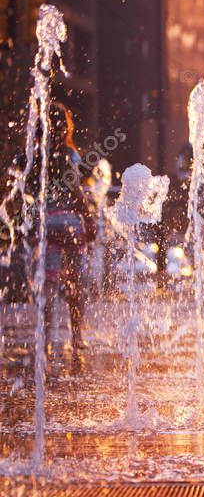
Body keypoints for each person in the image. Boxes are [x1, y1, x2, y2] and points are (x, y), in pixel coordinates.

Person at [43, 102, 96, 353]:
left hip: (48, 222)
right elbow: (76, 187)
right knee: (76, 282)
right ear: (66, 126)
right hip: (71, 224)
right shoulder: (69, 153)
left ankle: (44, 337)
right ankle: (76, 336)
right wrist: (89, 216)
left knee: (49, 283)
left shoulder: (38, 154)